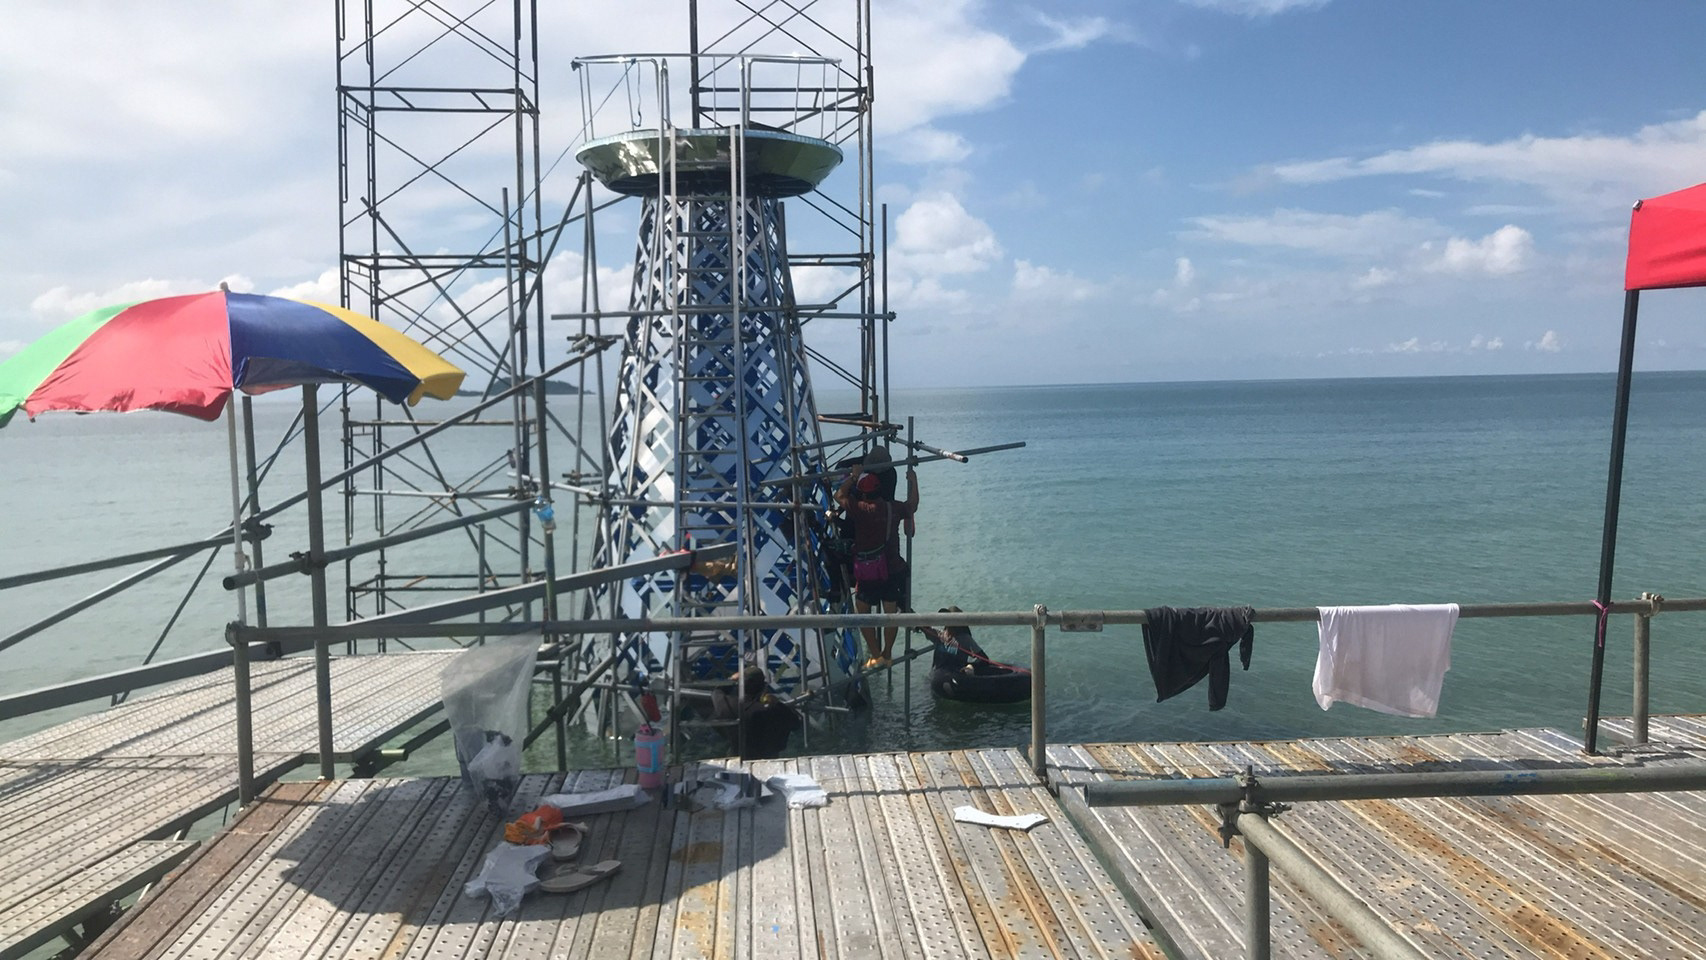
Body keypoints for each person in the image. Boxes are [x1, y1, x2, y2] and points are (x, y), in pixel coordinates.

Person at [833, 445, 918, 668]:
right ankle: (887, 653)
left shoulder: (859, 508)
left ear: (862, 493)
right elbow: (912, 505)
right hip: (892, 566)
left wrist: (853, 477)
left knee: (862, 611)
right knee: (890, 612)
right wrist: (913, 481)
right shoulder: (892, 508)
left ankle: (875, 654)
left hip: (869, 570)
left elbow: (839, 495)